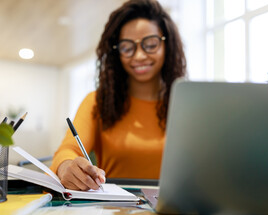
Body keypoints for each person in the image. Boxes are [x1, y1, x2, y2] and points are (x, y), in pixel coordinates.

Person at [50, 0, 186, 191]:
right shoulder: (97, 102)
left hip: (176, 213)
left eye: (151, 44)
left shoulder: (187, 104)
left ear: (167, 45)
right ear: (117, 52)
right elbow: (67, 150)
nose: (139, 56)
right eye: (127, 47)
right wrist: (66, 167)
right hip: (113, 213)